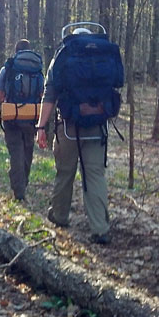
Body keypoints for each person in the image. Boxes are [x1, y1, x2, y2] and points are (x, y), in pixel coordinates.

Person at [35, 28, 111, 245]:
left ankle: (59, 216)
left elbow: (50, 95)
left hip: (68, 126)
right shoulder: (102, 57)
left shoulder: (62, 57)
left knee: (65, 172)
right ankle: (100, 228)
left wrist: (41, 127)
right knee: (95, 175)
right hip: (97, 126)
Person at [0, 39, 43, 202]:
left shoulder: (8, 67)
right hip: (32, 117)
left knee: (16, 152)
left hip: (12, 117)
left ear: (16, 51)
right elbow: (43, 94)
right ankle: (23, 182)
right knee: (28, 151)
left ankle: (19, 190)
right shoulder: (38, 68)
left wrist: (8, 103)